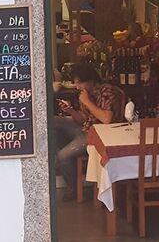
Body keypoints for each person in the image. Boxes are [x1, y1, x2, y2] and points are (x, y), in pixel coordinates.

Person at [52, 61, 126, 201]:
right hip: (86, 128)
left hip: (100, 135)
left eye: (80, 83)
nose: (77, 86)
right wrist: (70, 111)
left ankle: (74, 189)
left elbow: (106, 119)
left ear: (91, 81)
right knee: (53, 122)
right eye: (76, 83)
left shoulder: (108, 92)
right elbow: (83, 119)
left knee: (62, 156)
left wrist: (87, 102)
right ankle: (65, 153)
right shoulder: (85, 94)